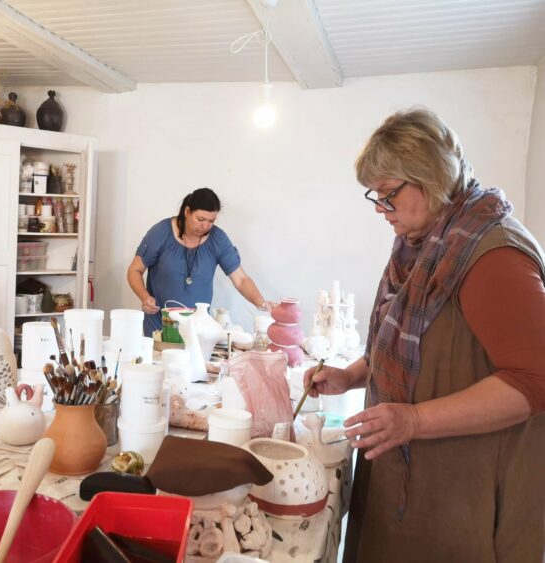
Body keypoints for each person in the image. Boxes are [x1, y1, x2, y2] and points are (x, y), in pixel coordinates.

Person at [304, 108, 545, 563]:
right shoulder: (423, 244)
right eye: (375, 195)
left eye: (388, 194)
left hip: (466, 490)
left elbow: (534, 379)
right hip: (413, 475)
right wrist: (351, 376)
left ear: (429, 177)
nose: (380, 209)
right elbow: (412, 347)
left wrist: (414, 421)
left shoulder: (493, 254)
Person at [127, 187, 270, 336]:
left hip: (199, 331)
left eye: (211, 221)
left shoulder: (218, 239)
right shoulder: (160, 233)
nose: (205, 226)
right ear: (187, 212)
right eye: (200, 219)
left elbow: (241, 279)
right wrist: (145, 297)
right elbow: (134, 270)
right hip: (160, 328)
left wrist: (260, 302)